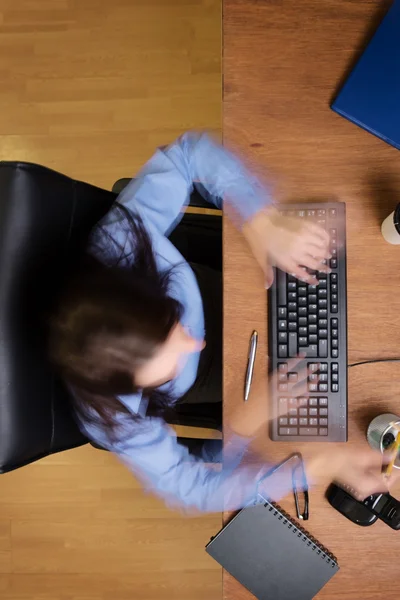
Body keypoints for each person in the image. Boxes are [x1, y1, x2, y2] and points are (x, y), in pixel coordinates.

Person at [49, 131, 390, 512]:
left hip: (227, 282)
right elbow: (193, 489)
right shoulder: (113, 420)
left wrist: (260, 221)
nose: (195, 341)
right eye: (167, 363)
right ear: (132, 389)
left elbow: (186, 154)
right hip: (224, 381)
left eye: (172, 320)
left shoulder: (118, 243)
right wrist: (247, 429)